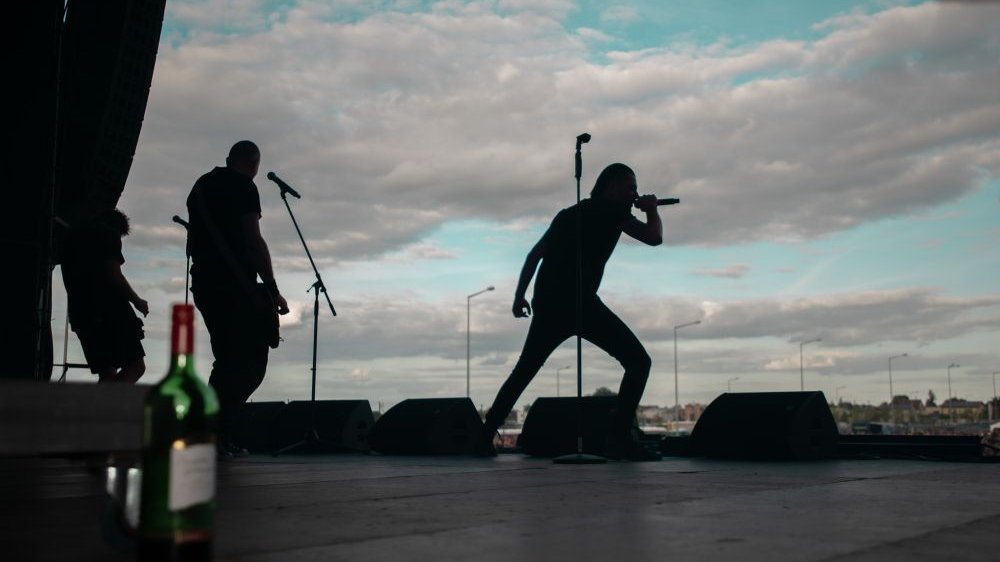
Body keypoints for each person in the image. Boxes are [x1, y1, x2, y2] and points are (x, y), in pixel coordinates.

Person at [478, 163, 663, 461]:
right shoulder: (615, 213)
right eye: (631, 187)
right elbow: (654, 238)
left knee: (524, 370)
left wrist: (519, 296)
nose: (635, 193)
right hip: (580, 303)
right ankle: (618, 441)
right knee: (639, 362)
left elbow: (534, 255)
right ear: (611, 187)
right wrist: (652, 209)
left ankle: (484, 435)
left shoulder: (568, 214)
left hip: (549, 303)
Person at [186, 140, 289, 459]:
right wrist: (272, 288)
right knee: (251, 362)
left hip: (204, 283)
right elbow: (252, 239)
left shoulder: (201, 185)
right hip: (233, 285)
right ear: (253, 164)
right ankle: (207, 432)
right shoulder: (243, 185)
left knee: (228, 359)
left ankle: (209, 435)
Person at [61, 208, 149, 383]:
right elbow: (114, 275)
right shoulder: (108, 234)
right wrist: (137, 301)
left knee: (107, 373)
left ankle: (97, 407)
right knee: (136, 366)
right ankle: (104, 408)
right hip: (109, 312)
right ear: (118, 229)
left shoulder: (71, 239)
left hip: (81, 316)